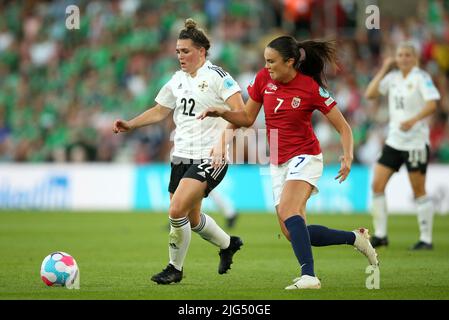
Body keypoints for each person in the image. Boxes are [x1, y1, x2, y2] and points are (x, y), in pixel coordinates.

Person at [199, 35, 379, 290]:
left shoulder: (311, 88)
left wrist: (347, 155)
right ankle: (355, 238)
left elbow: (344, 127)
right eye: (265, 61)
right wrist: (222, 114)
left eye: (272, 61)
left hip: (305, 156)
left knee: (288, 211)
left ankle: (309, 276)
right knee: (291, 231)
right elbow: (248, 117)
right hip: (278, 162)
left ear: (290, 62)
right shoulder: (263, 79)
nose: (267, 66)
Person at [113, 18, 244, 285]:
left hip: (210, 157)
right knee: (193, 219)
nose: (180, 56)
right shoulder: (177, 79)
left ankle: (175, 269)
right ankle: (228, 244)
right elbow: (161, 110)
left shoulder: (219, 77)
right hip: (181, 156)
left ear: (201, 51)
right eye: (177, 51)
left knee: (175, 211)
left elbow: (240, 112)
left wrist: (223, 142)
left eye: (185, 51)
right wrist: (131, 124)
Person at [365, 41, 440, 250]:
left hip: (415, 143)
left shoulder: (421, 78)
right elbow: (370, 94)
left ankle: (426, 239)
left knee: (418, 191)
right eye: (400, 55)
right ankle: (380, 235)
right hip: (394, 141)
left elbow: (433, 104)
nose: (403, 58)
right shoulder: (393, 78)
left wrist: (414, 120)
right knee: (376, 185)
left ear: (415, 58)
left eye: (407, 55)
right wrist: (384, 68)